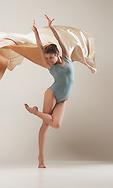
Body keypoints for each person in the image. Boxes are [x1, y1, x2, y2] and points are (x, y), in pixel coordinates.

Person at [24, 14, 75, 168]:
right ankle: (41, 158)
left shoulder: (67, 57)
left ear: (58, 54)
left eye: (51, 57)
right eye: (47, 58)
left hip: (63, 99)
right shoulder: (49, 66)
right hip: (52, 94)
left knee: (56, 125)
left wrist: (51, 27)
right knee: (45, 125)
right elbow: (39, 47)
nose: (49, 60)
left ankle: (34, 112)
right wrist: (36, 33)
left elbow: (60, 41)